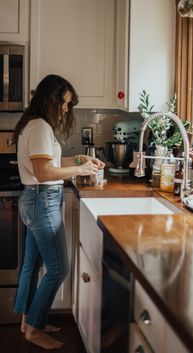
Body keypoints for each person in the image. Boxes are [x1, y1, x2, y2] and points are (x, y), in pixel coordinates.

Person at [13, 74, 105, 350]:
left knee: (33, 265)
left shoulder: (36, 124)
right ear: (50, 100)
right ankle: (34, 328)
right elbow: (44, 172)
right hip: (43, 201)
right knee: (58, 268)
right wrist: (79, 170)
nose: (66, 109)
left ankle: (28, 321)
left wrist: (79, 159)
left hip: (35, 200)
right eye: (64, 103)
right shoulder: (40, 126)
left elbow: (50, 162)